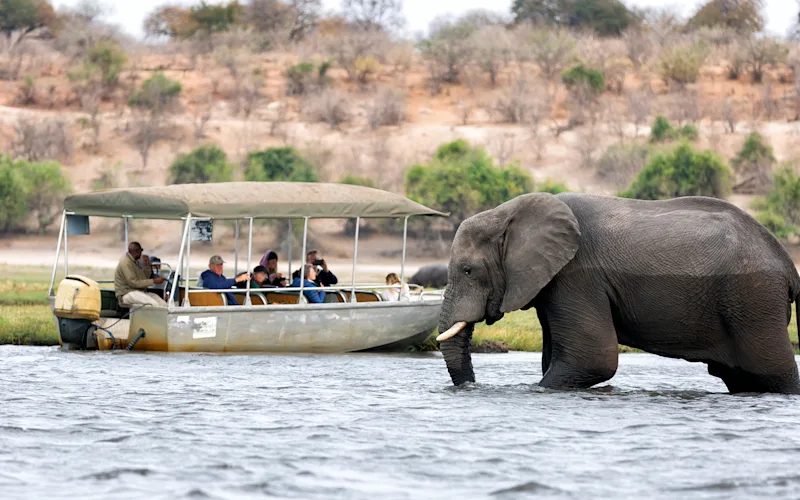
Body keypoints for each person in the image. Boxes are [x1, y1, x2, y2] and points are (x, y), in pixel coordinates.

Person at [114, 242, 167, 307]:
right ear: (137, 251)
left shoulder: (135, 262)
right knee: (152, 304)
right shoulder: (126, 263)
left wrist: (147, 266)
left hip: (138, 291)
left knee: (162, 304)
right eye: (141, 251)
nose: (141, 253)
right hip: (126, 293)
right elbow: (134, 283)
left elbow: (143, 279)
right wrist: (154, 281)